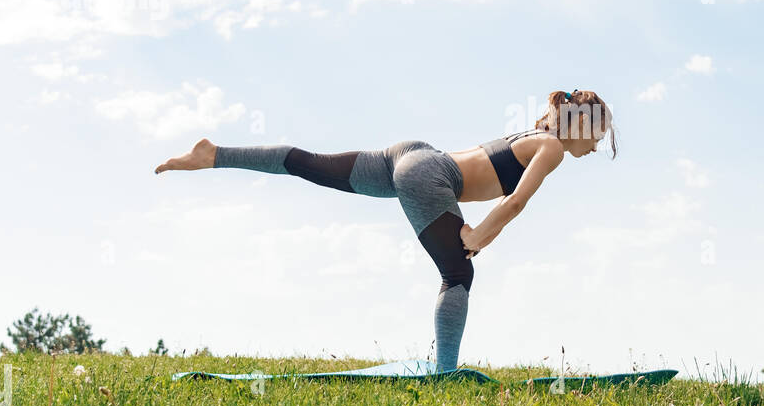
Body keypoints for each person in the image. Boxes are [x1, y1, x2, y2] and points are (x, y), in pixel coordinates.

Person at [154, 89, 617, 372]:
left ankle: (214, 154)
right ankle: (445, 373)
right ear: (584, 125)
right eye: (599, 135)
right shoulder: (553, 147)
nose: (597, 146)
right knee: (458, 275)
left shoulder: (531, 135)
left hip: (412, 153)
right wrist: (477, 237)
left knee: (310, 165)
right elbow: (514, 201)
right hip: (431, 175)